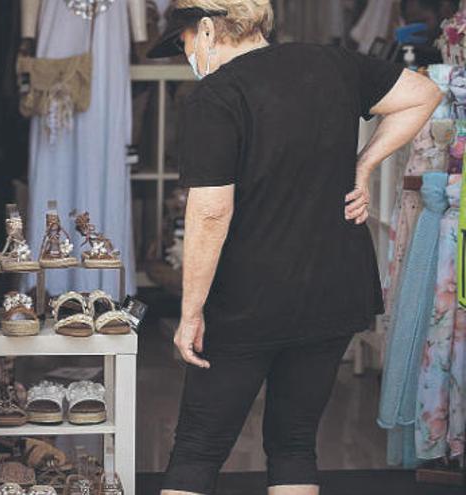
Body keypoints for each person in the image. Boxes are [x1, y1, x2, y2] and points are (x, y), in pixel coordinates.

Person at [147, 1, 443, 494]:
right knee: (294, 444)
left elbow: (210, 213)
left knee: (197, 447)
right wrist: (362, 165)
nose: (187, 56)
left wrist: (191, 311)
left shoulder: (216, 96)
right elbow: (423, 93)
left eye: (184, 44)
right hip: (332, 288)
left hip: (249, 299)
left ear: (206, 28)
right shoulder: (333, 63)